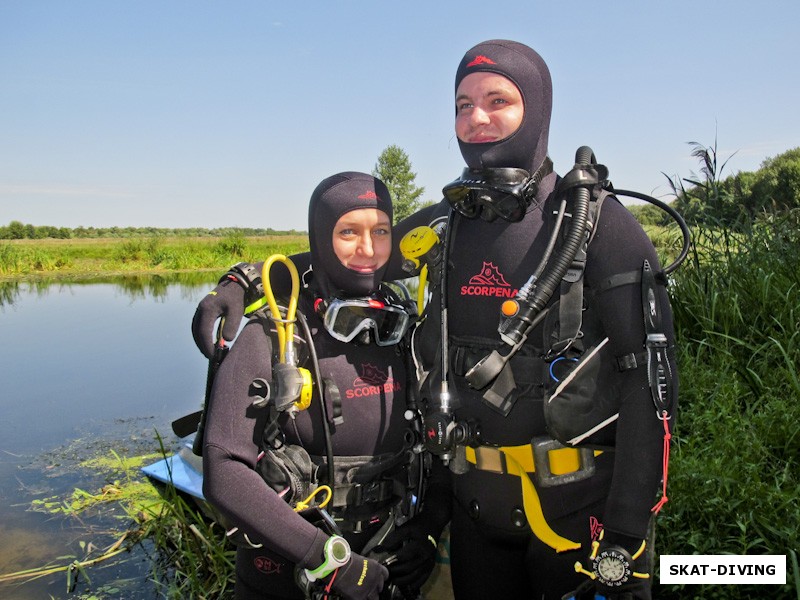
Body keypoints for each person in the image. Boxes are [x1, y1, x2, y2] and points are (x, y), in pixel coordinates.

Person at [194, 40, 678, 600]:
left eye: (498, 100)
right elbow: (350, 255)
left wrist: (627, 536)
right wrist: (245, 282)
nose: (476, 118)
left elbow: (652, 389)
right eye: (461, 105)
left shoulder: (596, 227)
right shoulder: (448, 222)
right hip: (474, 520)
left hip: (579, 518)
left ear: (538, 109)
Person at [199, 172, 451, 600]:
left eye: (382, 231)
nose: (368, 249)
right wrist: (328, 561)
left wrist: (425, 532)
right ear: (320, 238)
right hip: (286, 573)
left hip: (387, 565)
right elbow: (223, 469)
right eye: (348, 231)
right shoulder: (275, 334)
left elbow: (439, 446)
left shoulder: (407, 332)